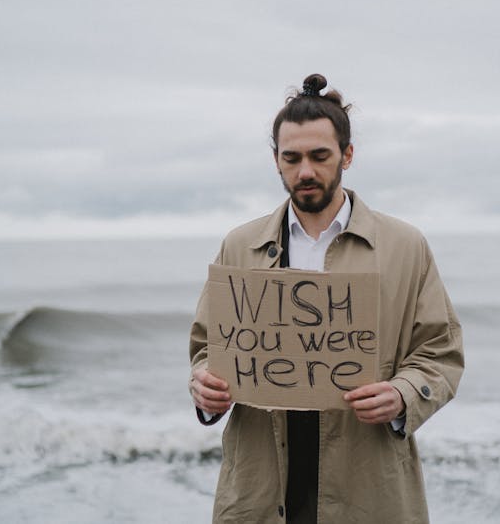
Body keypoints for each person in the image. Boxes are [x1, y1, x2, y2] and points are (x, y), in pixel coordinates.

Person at [189, 73, 464, 524]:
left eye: (320, 156)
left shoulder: (404, 245)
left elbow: (441, 351)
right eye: (291, 158)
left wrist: (402, 395)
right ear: (276, 161)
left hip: (366, 483)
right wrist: (204, 388)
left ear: (347, 155)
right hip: (261, 482)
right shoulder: (239, 246)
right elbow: (206, 348)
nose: (305, 172)